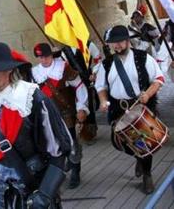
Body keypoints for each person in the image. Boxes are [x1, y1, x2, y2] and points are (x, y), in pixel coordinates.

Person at [0, 42, 72, 209]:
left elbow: (59, 153)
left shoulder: (33, 99)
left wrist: (43, 197)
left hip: (36, 185)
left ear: (9, 70)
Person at [95, 25, 164, 194]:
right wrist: (103, 101)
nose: (116, 46)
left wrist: (147, 94)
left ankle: (147, 175)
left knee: (144, 143)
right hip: (118, 108)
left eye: (119, 42)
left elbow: (159, 78)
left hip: (141, 106)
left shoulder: (143, 58)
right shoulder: (107, 64)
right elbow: (101, 86)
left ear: (127, 41)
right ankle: (138, 158)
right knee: (118, 142)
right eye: (113, 43)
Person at [31, 43, 89, 189]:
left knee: (72, 143)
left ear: (51, 55)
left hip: (66, 113)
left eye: (45, 56)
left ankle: (76, 171)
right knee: (52, 146)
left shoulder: (63, 67)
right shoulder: (34, 73)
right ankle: (57, 172)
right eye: (40, 57)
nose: (43, 60)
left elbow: (79, 86)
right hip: (47, 116)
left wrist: (81, 107)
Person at [61, 40, 101, 143]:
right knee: (76, 106)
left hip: (88, 79)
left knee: (90, 105)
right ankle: (81, 130)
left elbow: (98, 58)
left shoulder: (88, 44)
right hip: (74, 82)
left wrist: (95, 73)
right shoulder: (65, 50)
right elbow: (65, 66)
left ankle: (90, 132)